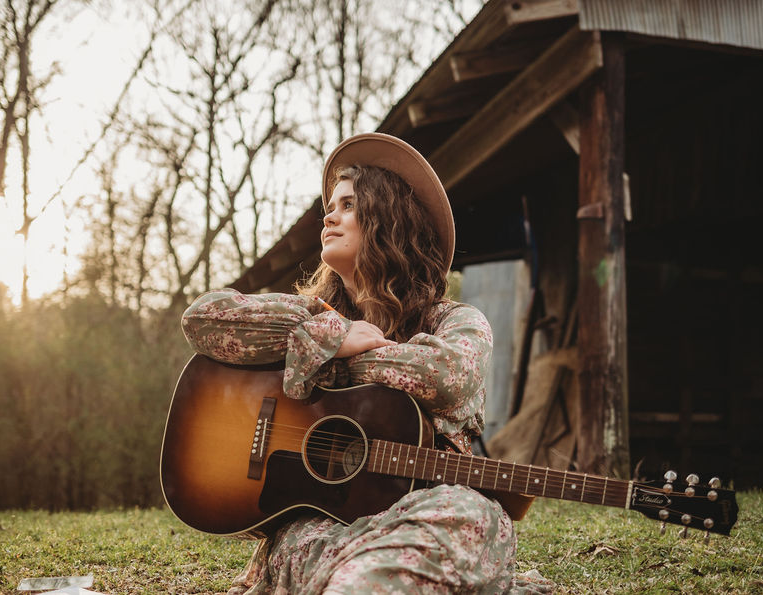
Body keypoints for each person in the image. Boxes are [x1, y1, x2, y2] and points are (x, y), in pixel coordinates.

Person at [181, 133, 552, 594]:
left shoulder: (456, 321)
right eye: (329, 207)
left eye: (348, 205)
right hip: (321, 520)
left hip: (429, 506)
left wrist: (327, 363)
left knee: (473, 517)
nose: (328, 216)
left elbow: (447, 376)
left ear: (389, 222)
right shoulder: (314, 315)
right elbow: (202, 318)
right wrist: (330, 336)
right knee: (331, 557)